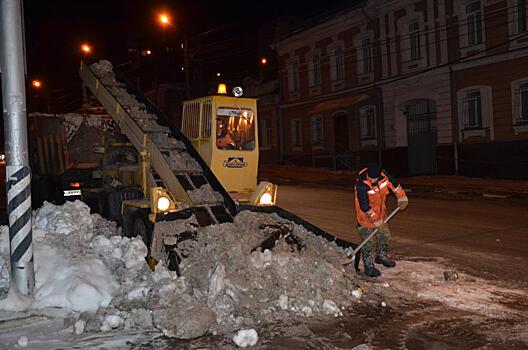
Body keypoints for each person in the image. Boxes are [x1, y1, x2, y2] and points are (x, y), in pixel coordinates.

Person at [354, 163, 408, 277]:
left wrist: (402, 196)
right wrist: (376, 220)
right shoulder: (361, 185)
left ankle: (381, 256)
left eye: (374, 178)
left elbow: (395, 186)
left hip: (381, 215)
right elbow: (364, 206)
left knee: (385, 236)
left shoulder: (384, 177)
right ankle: (368, 267)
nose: (372, 180)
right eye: (370, 177)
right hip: (366, 219)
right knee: (369, 243)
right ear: (367, 174)